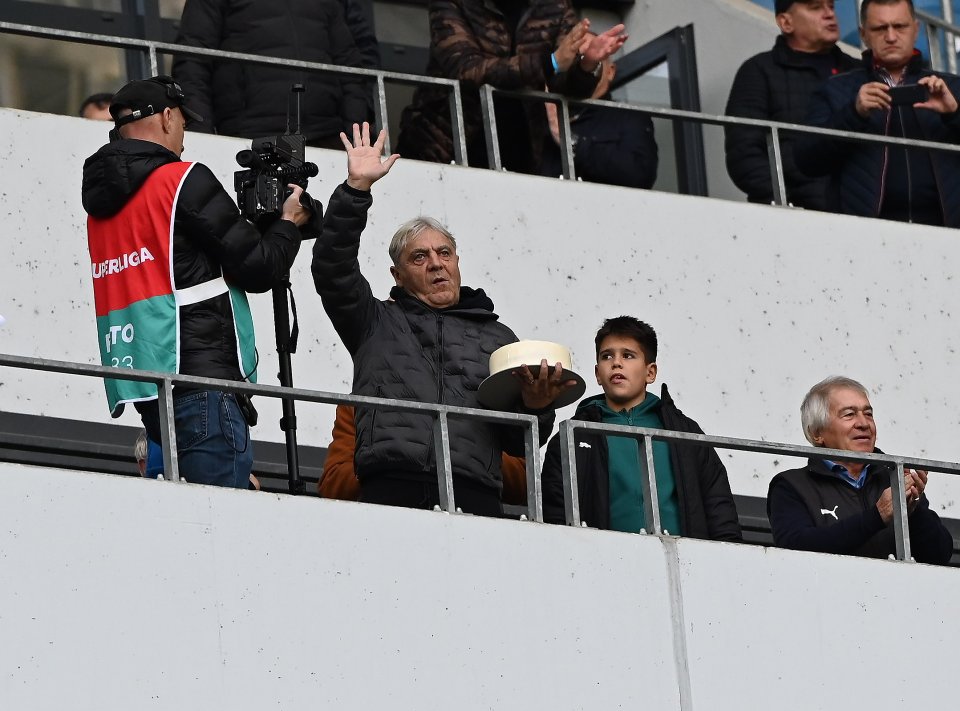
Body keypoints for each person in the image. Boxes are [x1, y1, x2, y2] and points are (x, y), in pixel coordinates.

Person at [312, 122, 572, 516]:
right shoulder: (374, 322)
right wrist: (355, 190)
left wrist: (536, 407)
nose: (436, 264)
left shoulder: (498, 336)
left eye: (444, 253)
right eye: (419, 257)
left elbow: (519, 446)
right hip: (389, 487)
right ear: (397, 276)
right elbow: (332, 269)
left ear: (457, 262)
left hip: (476, 494)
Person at [81, 75, 315, 488]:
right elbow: (260, 269)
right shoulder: (181, 180)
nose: (184, 139)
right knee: (219, 531)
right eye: (185, 125)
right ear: (168, 117)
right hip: (204, 381)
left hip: (146, 389)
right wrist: (289, 223)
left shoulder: (100, 210)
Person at [540, 316, 742, 540]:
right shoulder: (573, 435)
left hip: (681, 563)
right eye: (607, 356)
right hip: (601, 562)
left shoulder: (684, 432)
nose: (616, 363)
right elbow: (555, 512)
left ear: (650, 372)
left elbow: (718, 504)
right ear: (598, 374)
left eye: (628, 355)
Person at [395, 0, 626, 174]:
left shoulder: (555, 6)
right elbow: (467, 68)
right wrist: (550, 62)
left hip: (520, 149)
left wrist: (587, 64)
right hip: (442, 147)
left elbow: (565, 85)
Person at [796, 0, 960, 226]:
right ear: (864, 34)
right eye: (880, 28)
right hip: (864, 235)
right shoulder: (835, 89)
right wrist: (854, 113)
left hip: (948, 234)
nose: (891, 37)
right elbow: (807, 162)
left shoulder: (952, 87)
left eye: (899, 26)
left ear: (916, 29)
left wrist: (954, 113)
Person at [767, 376, 953, 564]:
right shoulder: (791, 485)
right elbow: (794, 551)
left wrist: (913, 514)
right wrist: (876, 516)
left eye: (868, 414)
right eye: (849, 414)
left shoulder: (895, 477)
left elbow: (940, 556)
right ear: (817, 433)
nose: (864, 423)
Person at [172, 0, 372, 148]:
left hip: (327, 136)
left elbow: (349, 68)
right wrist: (202, 136)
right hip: (252, 135)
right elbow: (192, 61)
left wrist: (353, 136)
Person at [724, 0, 857, 209]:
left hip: (863, 212)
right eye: (815, 8)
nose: (829, 14)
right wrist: (785, 203)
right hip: (794, 215)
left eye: (831, 6)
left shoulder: (859, 71)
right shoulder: (759, 71)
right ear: (786, 23)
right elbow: (745, 153)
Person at [318, 404, 530, 505]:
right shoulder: (363, 401)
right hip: (385, 523)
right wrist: (387, 461)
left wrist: (456, 451)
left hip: (470, 524)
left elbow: (524, 483)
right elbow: (333, 482)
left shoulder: (483, 398)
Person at [540, 49, 658, 189]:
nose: (581, 66)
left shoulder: (628, 117)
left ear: (610, 71)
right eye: (574, 58)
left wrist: (570, 141)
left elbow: (639, 175)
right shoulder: (541, 114)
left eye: (591, 60)